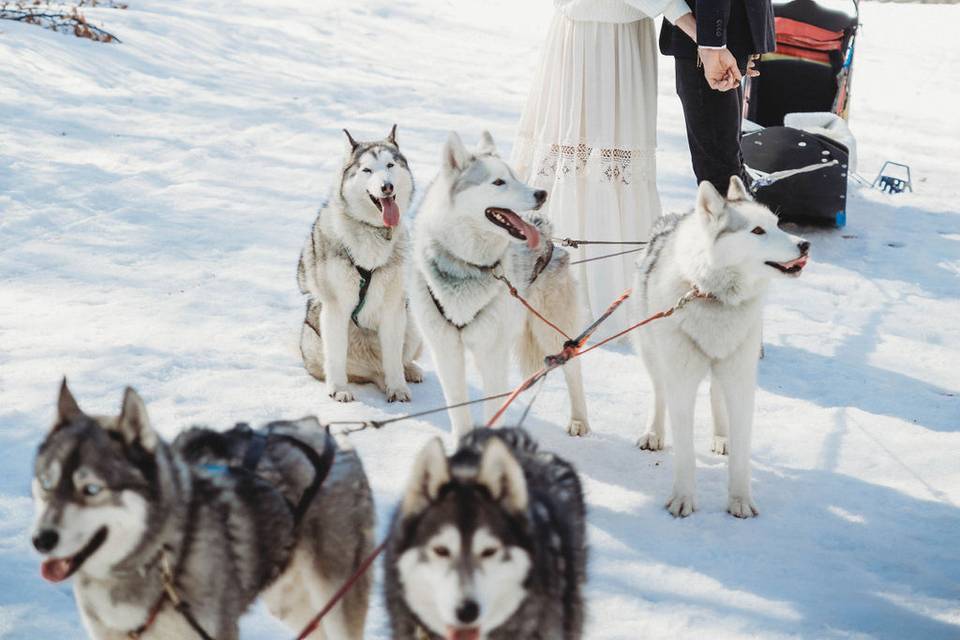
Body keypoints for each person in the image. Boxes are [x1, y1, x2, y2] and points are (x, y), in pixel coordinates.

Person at [512, 0, 693, 335]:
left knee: (600, 159)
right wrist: (702, 34)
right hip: (598, 35)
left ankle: (580, 281)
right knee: (591, 153)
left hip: (615, 30)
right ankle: (569, 287)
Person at [660, 0, 775, 191]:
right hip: (712, 38)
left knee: (725, 178)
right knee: (727, 175)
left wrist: (713, 44)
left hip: (714, 41)